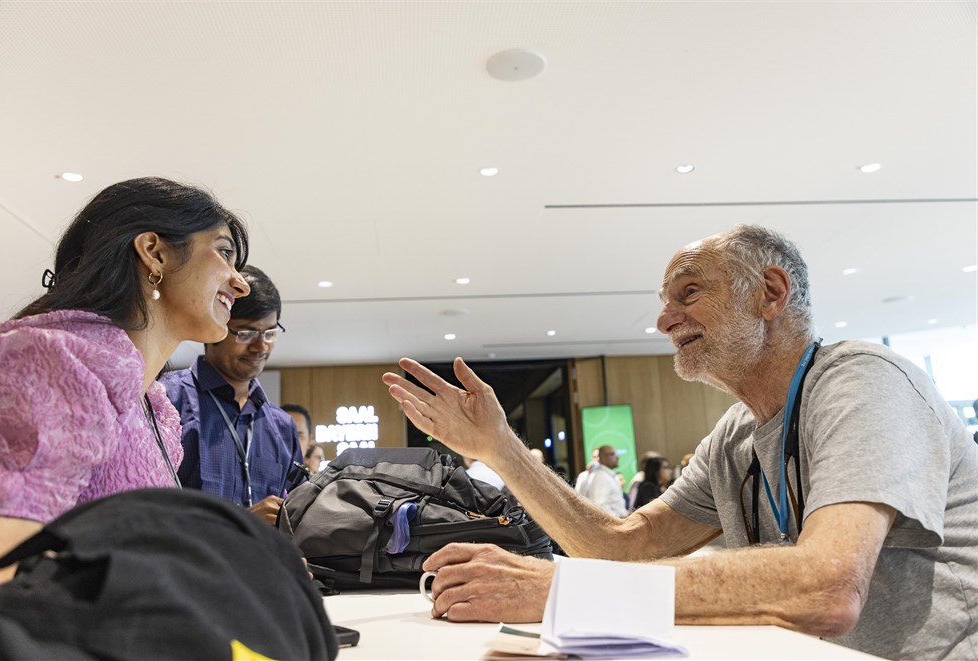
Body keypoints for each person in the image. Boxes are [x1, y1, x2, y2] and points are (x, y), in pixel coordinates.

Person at [382, 224, 978, 660]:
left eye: (688, 293)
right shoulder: (736, 435)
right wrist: (499, 448)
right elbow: (621, 547)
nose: (665, 319)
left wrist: (562, 589)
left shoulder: (866, 380)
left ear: (771, 293)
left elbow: (827, 587)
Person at [0, 177, 251, 586]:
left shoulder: (153, 404)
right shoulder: (54, 361)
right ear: (154, 253)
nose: (240, 283)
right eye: (223, 252)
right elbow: (0, 574)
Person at [161, 265, 302, 525]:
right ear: (214, 328)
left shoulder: (282, 427)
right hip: (187, 563)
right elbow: (143, 509)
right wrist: (238, 525)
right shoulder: (166, 401)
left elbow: (298, 514)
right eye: (246, 333)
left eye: (270, 333)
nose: (261, 346)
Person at [575, 445, 627, 518]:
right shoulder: (601, 477)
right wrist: (616, 520)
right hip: (613, 523)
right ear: (602, 458)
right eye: (612, 454)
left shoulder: (609, 475)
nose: (617, 457)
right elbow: (599, 507)